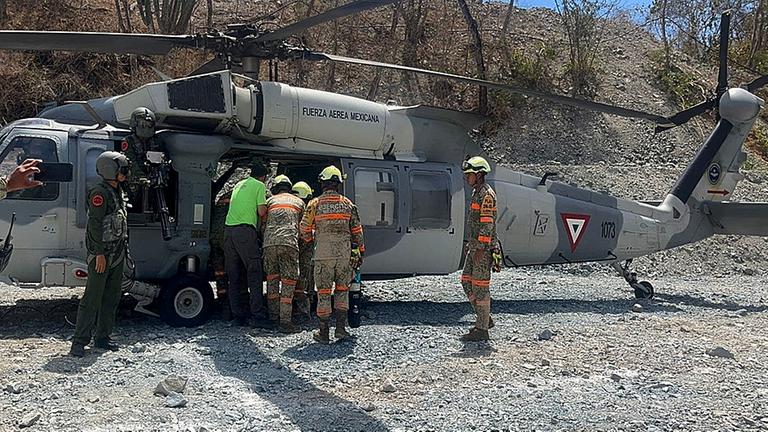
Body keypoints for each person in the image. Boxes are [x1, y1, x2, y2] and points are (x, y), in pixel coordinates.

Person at [70, 152, 130, 357]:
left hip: (117, 253)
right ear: (110, 170)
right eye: (122, 169)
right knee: (92, 298)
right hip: (102, 255)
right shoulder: (100, 193)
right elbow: (94, 225)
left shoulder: (118, 191)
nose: (125, 173)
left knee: (111, 298)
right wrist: (99, 254)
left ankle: (103, 337)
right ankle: (79, 342)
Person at [300, 166, 364, 344]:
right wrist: (360, 252)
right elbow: (357, 232)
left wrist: (312, 239)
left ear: (322, 183)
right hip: (344, 256)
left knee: (324, 293)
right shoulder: (348, 204)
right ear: (338, 184)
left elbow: (304, 229)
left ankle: (323, 333)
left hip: (323, 256)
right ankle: (341, 330)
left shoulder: (314, 204)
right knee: (342, 292)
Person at [223, 162, 270, 328]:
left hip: (229, 232)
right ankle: (258, 316)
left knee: (234, 275)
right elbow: (262, 211)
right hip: (245, 231)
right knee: (254, 272)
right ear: (263, 177)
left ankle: (237, 316)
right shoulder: (259, 186)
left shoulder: (239, 184)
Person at [459, 156, 498, 342]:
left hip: (482, 250)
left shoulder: (486, 195)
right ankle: (484, 318)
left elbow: (487, 225)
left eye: (470, 174)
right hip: (475, 248)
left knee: (481, 289)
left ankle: (482, 329)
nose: (467, 178)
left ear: (480, 175)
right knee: (466, 281)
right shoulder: (477, 192)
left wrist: (481, 249)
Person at [263, 175, 305, 333]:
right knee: (288, 282)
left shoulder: (270, 201)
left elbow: (262, 224)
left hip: (269, 245)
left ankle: (273, 318)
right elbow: (304, 228)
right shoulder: (299, 202)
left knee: (272, 280)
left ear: (275, 188)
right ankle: (285, 322)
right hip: (288, 244)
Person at [120, 107, 160, 204]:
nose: (146, 128)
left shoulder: (154, 141)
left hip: (152, 180)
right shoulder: (128, 141)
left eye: (149, 125)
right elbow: (130, 160)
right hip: (135, 181)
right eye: (142, 125)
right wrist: (141, 177)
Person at [291, 181, 314, 323]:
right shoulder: (304, 207)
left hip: (292, 244)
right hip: (304, 245)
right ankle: (304, 310)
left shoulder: (290, 204)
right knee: (305, 276)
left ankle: (294, 307)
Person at [208, 191, 232, 320]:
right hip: (226, 235)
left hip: (213, 237)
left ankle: (224, 306)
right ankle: (236, 305)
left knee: (220, 273)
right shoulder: (243, 197)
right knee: (236, 271)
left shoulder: (223, 198)